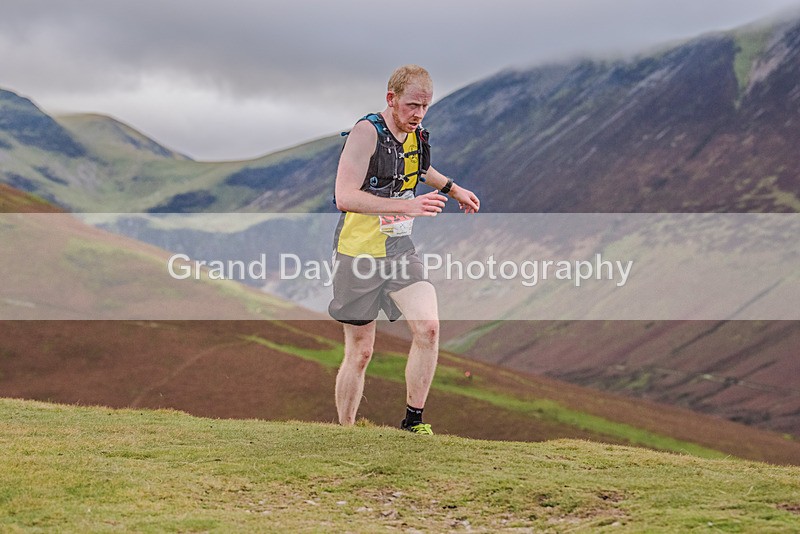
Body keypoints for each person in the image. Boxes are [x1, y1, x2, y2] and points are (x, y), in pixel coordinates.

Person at [328, 64, 480, 434]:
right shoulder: (366, 133)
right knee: (361, 352)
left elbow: (420, 168)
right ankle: (345, 431)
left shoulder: (415, 133)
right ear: (391, 99)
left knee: (428, 328)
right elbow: (343, 197)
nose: (418, 114)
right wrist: (406, 206)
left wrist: (454, 189)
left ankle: (413, 422)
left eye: (425, 107)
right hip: (357, 254)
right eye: (412, 105)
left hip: (399, 250)